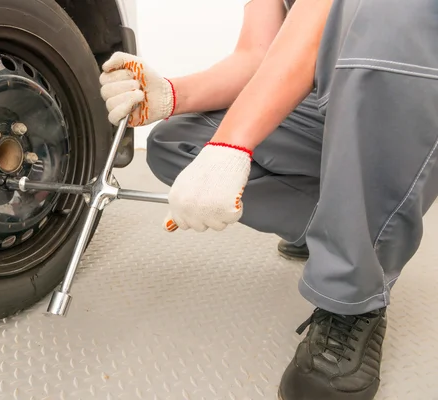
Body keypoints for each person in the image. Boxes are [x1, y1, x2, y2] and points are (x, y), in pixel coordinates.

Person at [99, 0, 438, 399]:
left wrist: (232, 144)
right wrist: (170, 95)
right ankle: (345, 228)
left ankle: (353, 293)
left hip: (406, 94)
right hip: (337, 100)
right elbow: (257, 55)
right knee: (177, 142)